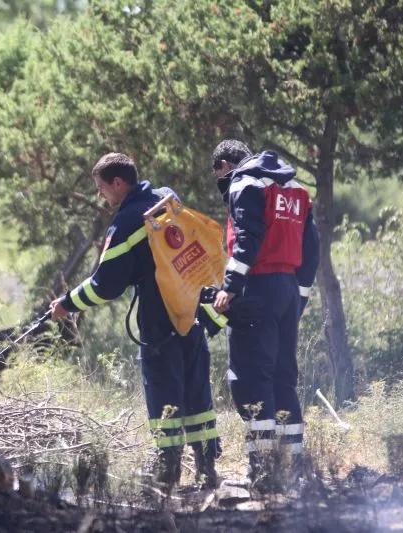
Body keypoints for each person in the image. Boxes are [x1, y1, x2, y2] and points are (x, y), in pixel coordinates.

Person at [50, 152, 219, 489]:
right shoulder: (167, 199)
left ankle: (167, 472)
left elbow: (105, 284)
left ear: (118, 183)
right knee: (197, 391)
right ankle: (207, 470)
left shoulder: (127, 221)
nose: (100, 195)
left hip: (158, 322)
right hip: (191, 311)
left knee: (164, 392)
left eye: (101, 188)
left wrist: (67, 304)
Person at [209, 139, 320, 488]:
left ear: (224, 166)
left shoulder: (244, 183)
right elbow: (311, 249)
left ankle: (263, 473)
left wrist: (229, 287)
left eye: (218, 176)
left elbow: (247, 238)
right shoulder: (296, 189)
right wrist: (299, 298)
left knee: (252, 379)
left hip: (256, 288)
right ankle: (294, 469)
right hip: (288, 289)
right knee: (283, 378)